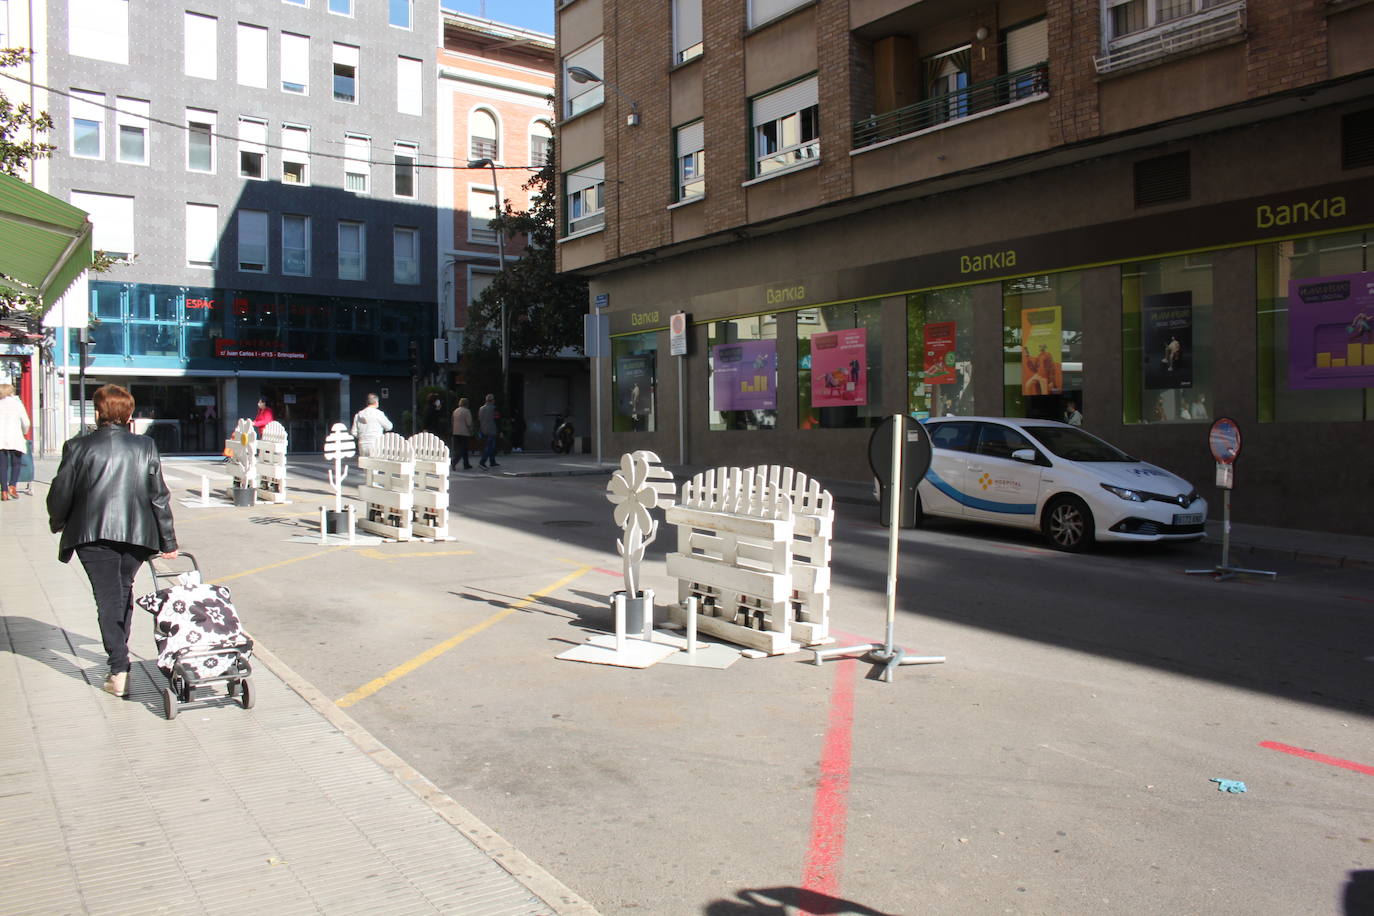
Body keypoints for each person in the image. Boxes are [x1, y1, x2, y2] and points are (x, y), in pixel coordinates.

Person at [46, 384, 178, 699]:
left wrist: (57, 521)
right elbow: (158, 496)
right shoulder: (144, 446)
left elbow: (60, 493)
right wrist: (168, 541)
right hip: (136, 534)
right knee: (123, 592)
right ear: (128, 413)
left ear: (98, 412)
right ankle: (120, 657)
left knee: (107, 598)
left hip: (92, 534)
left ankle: (119, 667)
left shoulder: (77, 447)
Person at [0, 382, 31, 501]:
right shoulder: (17, 404)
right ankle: (12, 486)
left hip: (1, 439)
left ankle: (3, 491)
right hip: (15, 437)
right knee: (16, 463)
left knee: (2, 466)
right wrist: (24, 431)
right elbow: (26, 422)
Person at [350, 393, 393, 458]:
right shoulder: (378, 413)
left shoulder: (358, 415)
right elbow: (389, 427)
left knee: (365, 466)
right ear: (376, 402)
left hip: (363, 444)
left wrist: (362, 436)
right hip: (376, 444)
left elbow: (353, 432)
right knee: (376, 466)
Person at [478, 393, 500, 469]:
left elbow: (480, 419)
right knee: (490, 447)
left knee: (489, 446)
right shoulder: (494, 408)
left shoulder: (481, 409)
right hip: (492, 430)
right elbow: (497, 420)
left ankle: (492, 461)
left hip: (483, 430)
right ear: (492, 400)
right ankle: (482, 462)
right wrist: (499, 430)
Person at [450, 397, 473, 470]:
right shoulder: (467, 411)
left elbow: (452, 421)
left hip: (455, 432)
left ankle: (466, 464)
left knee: (460, 449)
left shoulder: (455, 411)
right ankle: (454, 462)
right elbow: (469, 423)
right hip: (464, 433)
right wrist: (471, 430)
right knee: (463, 449)